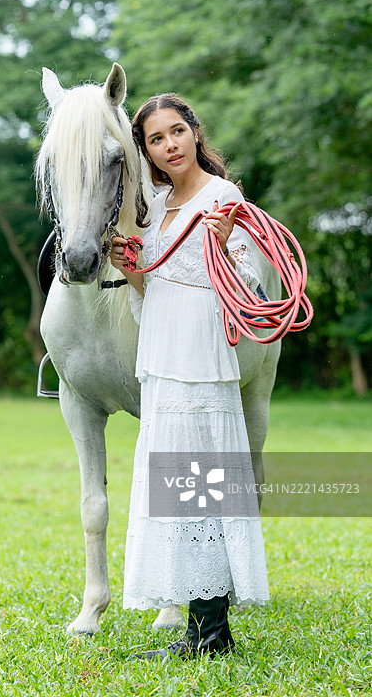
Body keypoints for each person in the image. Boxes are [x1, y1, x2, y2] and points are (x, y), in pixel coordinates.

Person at [109, 93, 269, 661]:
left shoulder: (224, 198)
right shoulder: (154, 205)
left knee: (203, 486)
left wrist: (223, 246)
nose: (169, 145)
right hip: (163, 353)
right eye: (156, 139)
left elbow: (249, 288)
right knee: (177, 488)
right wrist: (131, 269)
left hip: (202, 356)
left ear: (195, 134)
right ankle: (203, 632)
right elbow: (158, 291)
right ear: (147, 151)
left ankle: (211, 636)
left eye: (176, 132)